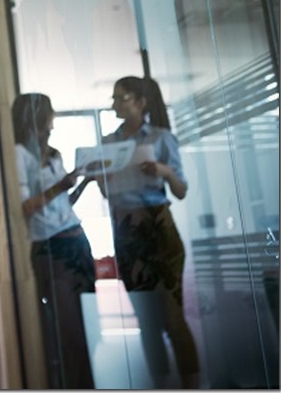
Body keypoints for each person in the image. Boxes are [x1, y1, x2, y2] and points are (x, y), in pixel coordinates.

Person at [100, 75, 200, 388]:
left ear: (141, 102)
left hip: (158, 224)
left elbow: (181, 190)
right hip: (126, 227)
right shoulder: (108, 143)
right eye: (114, 98)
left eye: (121, 97)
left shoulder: (161, 138)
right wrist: (99, 177)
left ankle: (192, 385)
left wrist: (164, 171)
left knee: (172, 315)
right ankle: (161, 384)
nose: (115, 104)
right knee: (146, 318)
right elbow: (107, 193)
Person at [11, 93, 96, 389]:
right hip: (52, 249)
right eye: (48, 113)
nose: (52, 119)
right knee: (69, 329)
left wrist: (83, 180)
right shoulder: (19, 155)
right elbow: (26, 207)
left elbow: (64, 203)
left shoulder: (55, 153)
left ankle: (89, 382)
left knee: (88, 326)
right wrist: (60, 186)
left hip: (77, 242)